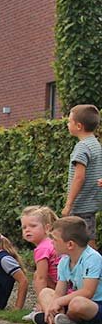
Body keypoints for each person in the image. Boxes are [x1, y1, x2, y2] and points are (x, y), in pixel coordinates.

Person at [34, 216, 102, 324]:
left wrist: (59, 302)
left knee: (77, 303)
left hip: (95, 304)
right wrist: (54, 304)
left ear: (70, 244)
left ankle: (66, 320)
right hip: (73, 303)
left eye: (55, 239)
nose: (51, 242)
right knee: (45, 292)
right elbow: (58, 293)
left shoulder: (93, 258)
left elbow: (87, 292)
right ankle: (53, 318)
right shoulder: (64, 261)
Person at [60, 104, 102, 247]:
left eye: (69, 121)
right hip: (92, 201)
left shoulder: (82, 147)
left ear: (79, 126)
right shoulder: (95, 144)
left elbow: (79, 177)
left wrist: (68, 205)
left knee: (85, 242)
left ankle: (94, 269)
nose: (67, 124)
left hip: (81, 204)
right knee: (88, 238)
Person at [20, 205, 60, 322]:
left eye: (33, 226)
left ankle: (42, 308)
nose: (27, 230)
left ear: (47, 228)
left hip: (61, 287)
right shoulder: (52, 243)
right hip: (65, 285)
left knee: (37, 275)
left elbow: (41, 278)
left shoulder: (42, 248)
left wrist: (41, 300)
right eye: (24, 227)